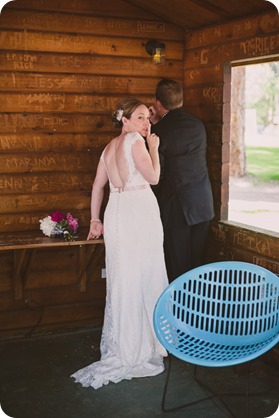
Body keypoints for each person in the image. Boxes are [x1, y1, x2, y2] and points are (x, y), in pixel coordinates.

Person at [71, 98, 169, 389]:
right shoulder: (135, 143)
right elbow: (153, 177)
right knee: (145, 273)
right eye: (139, 118)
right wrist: (154, 149)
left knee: (124, 277)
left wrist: (94, 219)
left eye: (147, 117)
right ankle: (144, 345)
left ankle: (126, 342)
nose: (145, 123)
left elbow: (97, 186)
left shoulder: (107, 148)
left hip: (115, 212)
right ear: (124, 121)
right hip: (138, 211)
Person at [149, 78, 215, 282]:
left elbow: (157, 176)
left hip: (176, 207)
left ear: (158, 104)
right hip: (203, 204)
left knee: (177, 266)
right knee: (198, 265)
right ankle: (198, 311)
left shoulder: (159, 132)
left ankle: (179, 311)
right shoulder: (197, 124)